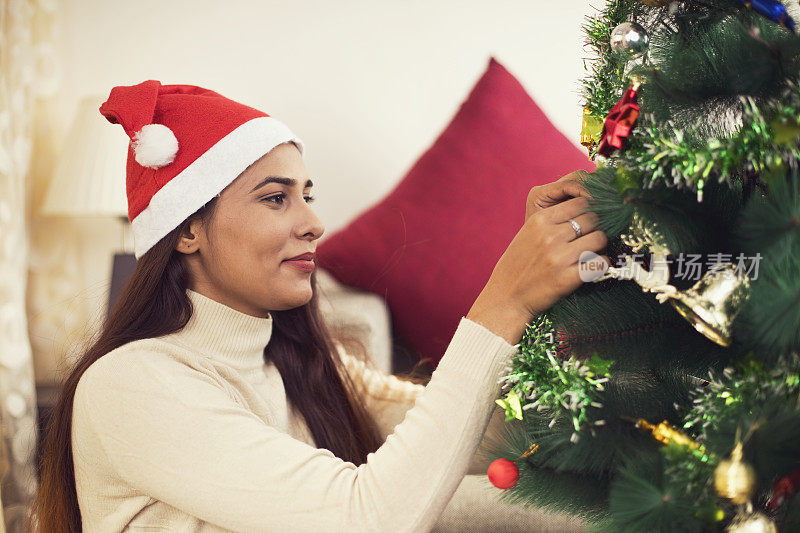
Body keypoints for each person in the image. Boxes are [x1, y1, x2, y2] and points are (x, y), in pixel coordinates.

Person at [29, 80, 606, 532]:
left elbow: (464, 450)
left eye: (308, 196)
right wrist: (504, 301)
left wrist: (563, 314)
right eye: (276, 198)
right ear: (186, 231)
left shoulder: (300, 362)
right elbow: (370, 516)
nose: (314, 223)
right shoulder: (133, 385)